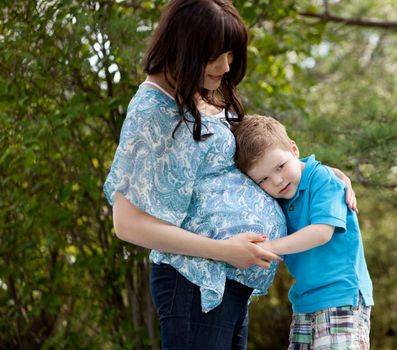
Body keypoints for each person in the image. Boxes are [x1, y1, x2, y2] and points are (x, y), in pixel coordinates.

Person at [104, 0, 357, 349]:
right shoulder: (151, 111)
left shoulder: (202, 96)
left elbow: (264, 156)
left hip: (228, 280)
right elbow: (127, 223)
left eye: (230, 54)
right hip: (193, 281)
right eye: (215, 56)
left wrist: (322, 174)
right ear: (184, 49)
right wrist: (223, 250)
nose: (226, 66)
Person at [233, 115, 374, 350]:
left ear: (294, 149)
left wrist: (269, 248)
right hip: (304, 300)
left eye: (280, 166)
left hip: (340, 294)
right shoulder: (280, 194)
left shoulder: (322, 179)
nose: (277, 181)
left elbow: (321, 233)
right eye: (264, 179)